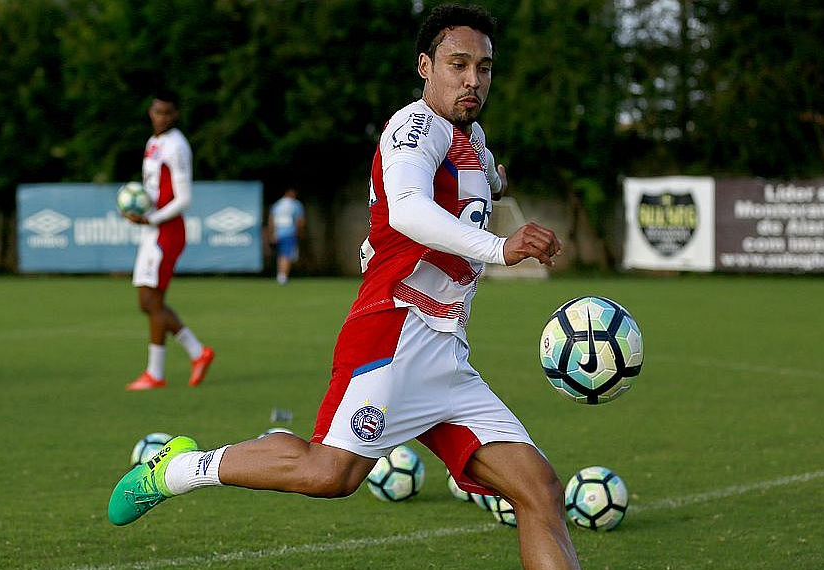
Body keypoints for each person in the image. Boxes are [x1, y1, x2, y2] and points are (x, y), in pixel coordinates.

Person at [108, 6, 580, 569]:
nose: (472, 79)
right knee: (329, 473)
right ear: (425, 66)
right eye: (458, 64)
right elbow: (408, 210)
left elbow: (471, 186)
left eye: (483, 67)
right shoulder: (413, 128)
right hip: (393, 331)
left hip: (447, 353)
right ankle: (179, 469)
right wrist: (501, 248)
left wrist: (492, 186)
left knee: (539, 491)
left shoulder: (472, 138)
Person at [121, 89, 215, 391]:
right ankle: (197, 352)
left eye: (166, 113)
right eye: (156, 111)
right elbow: (154, 190)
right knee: (148, 302)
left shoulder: (177, 146)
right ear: (150, 111)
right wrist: (136, 210)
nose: (160, 117)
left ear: (175, 115)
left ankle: (157, 373)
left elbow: (183, 199)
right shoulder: (153, 143)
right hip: (153, 230)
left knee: (152, 301)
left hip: (167, 232)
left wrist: (151, 218)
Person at [266, 188, 306, 285]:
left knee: (281, 255)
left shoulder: (277, 204)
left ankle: (280, 275)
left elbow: (271, 220)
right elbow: (300, 220)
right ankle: (283, 276)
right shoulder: (295, 204)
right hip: (289, 233)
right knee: (287, 255)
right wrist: (299, 232)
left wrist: (272, 234)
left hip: (278, 234)